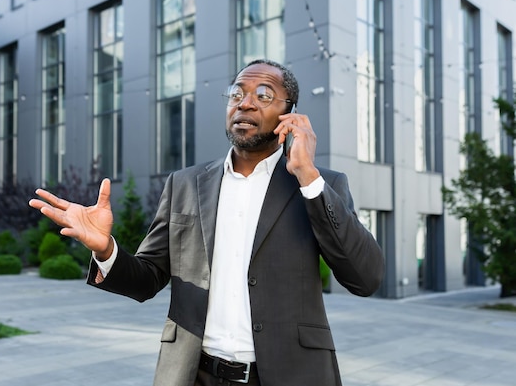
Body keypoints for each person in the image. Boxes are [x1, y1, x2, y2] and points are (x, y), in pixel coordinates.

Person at [29, 59, 384, 386]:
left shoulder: (321, 186)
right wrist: (106, 249)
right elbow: (147, 279)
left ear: (290, 114)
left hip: (288, 375)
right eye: (236, 94)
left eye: (263, 95)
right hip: (194, 375)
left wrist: (308, 176)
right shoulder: (184, 184)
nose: (245, 103)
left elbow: (365, 278)